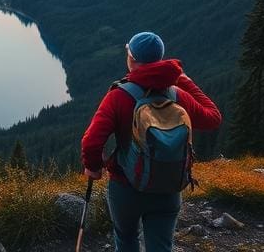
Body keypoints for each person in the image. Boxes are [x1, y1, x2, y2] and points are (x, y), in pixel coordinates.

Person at [81, 31, 221, 252]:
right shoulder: (176, 95)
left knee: (126, 239)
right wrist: (186, 82)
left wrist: (93, 167)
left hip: (126, 186)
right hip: (168, 186)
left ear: (132, 59)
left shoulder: (119, 96)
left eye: (128, 51)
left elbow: (91, 141)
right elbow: (213, 118)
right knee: (161, 246)